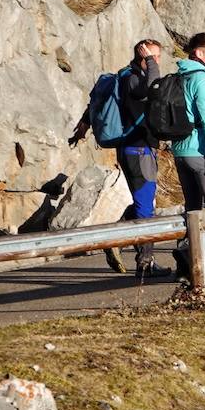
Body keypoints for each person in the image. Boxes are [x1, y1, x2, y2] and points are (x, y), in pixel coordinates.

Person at [72, 39, 172, 278]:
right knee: (145, 207)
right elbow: (152, 86)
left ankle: (116, 237)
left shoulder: (125, 76)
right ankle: (145, 262)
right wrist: (149, 61)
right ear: (143, 56)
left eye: (157, 57)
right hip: (138, 150)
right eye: (154, 56)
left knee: (143, 204)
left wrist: (84, 125)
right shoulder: (133, 78)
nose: (157, 61)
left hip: (131, 150)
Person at [170, 32, 205, 281]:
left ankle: (187, 270)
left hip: (180, 151)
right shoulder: (202, 78)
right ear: (198, 52)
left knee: (193, 209)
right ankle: (189, 257)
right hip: (200, 150)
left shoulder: (180, 75)